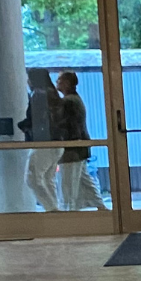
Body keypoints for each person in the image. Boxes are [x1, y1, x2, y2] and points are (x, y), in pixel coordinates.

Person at [55, 71, 108, 211]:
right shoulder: (75, 99)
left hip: (72, 150)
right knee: (84, 180)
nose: (57, 82)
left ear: (67, 83)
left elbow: (66, 126)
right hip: (79, 149)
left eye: (59, 80)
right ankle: (100, 206)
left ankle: (69, 213)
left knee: (68, 185)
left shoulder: (68, 102)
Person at [18, 68, 62, 212]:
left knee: (32, 178)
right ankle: (55, 209)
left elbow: (36, 121)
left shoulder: (38, 95)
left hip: (44, 143)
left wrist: (24, 126)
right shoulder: (54, 95)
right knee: (48, 179)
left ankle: (52, 209)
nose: (27, 81)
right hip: (58, 143)